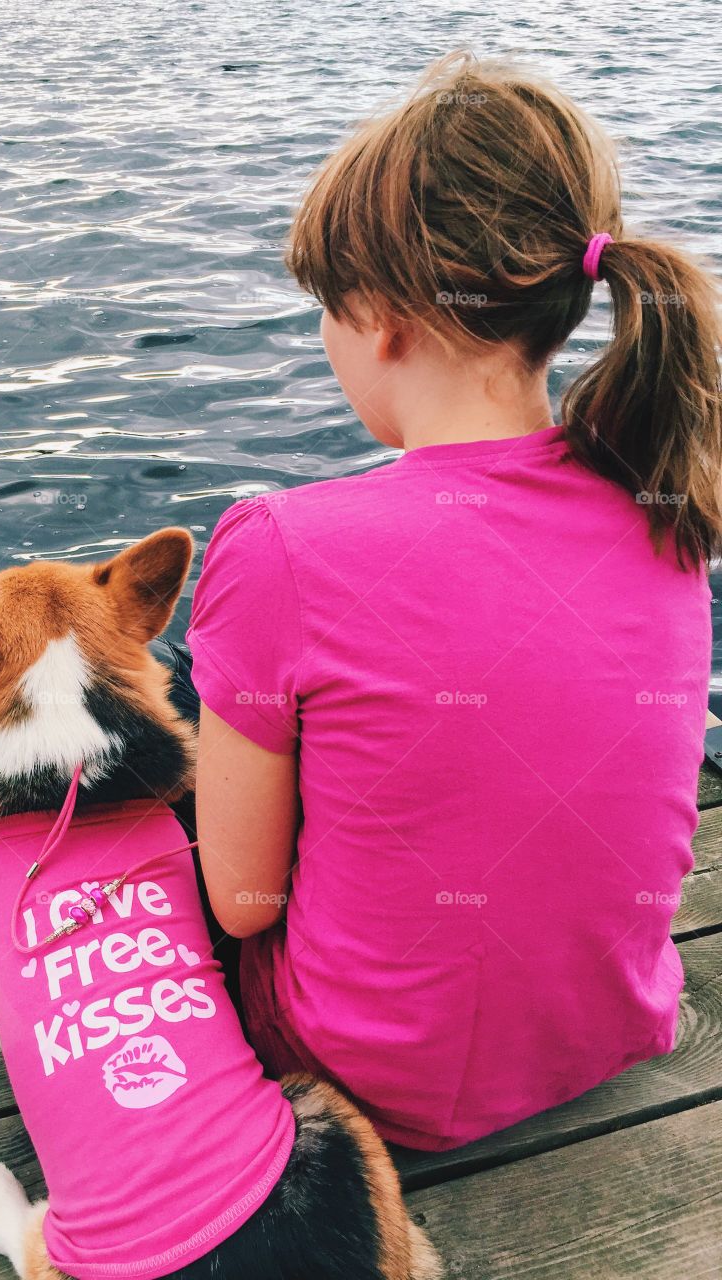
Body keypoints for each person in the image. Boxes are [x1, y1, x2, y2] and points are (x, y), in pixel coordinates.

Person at [185, 52, 721, 1152]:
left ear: (380, 316)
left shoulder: (280, 545)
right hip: (611, 1033)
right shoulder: (668, 502)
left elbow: (241, 901)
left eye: (324, 309)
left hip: (361, 1081)